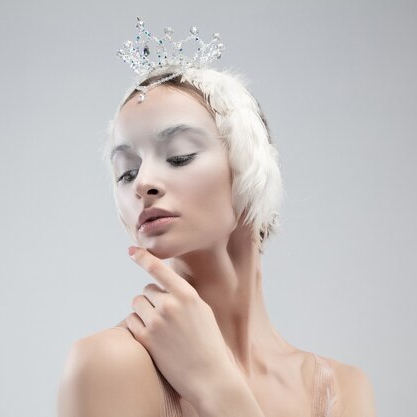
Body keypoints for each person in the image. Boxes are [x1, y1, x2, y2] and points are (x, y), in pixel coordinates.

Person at [57, 19, 376, 417]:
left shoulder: (341, 390)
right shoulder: (109, 364)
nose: (143, 183)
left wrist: (219, 389)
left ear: (248, 166)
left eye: (179, 156)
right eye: (126, 171)